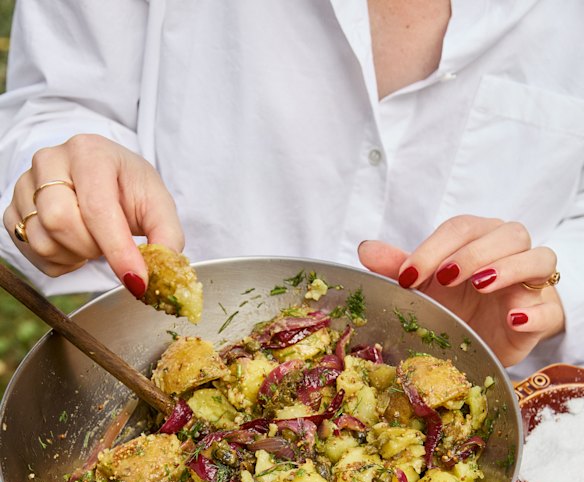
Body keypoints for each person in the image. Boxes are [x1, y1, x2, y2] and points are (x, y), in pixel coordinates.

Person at [0, 0, 582, 379]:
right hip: (151, 366)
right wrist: (65, 175)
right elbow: (53, 104)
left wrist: (549, 294)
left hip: (492, 412)